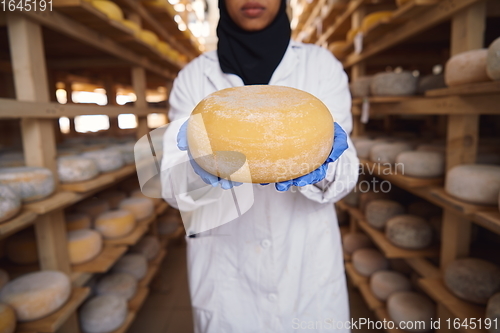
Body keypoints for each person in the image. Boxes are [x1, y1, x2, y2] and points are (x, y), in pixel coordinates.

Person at [160, 0, 359, 331]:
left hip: (307, 275)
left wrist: (323, 164)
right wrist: (194, 169)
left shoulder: (321, 66)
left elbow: (347, 175)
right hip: (226, 280)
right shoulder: (193, 77)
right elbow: (169, 184)